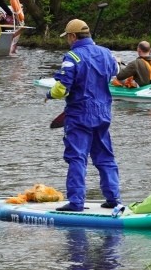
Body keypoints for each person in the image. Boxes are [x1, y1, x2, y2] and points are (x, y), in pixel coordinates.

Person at [47, 18, 120, 212]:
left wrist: (49, 94)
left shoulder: (72, 57)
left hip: (79, 115)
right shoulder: (106, 53)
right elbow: (116, 70)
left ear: (72, 36)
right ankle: (113, 198)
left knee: (77, 157)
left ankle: (76, 202)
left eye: (67, 37)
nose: (66, 41)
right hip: (103, 113)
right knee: (105, 156)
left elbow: (61, 89)